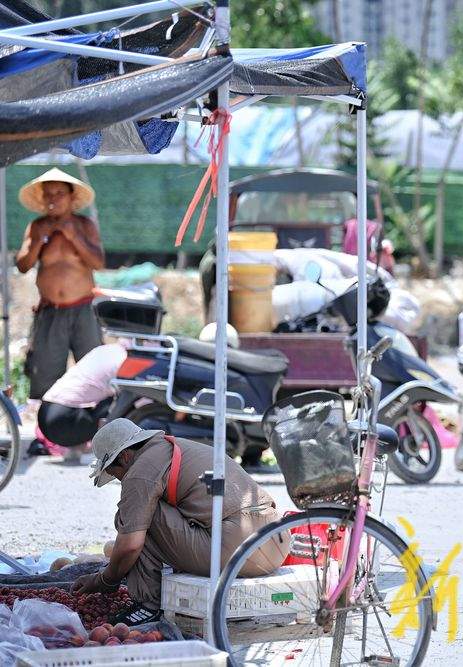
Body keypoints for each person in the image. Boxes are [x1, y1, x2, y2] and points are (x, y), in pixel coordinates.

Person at [72, 418, 290, 624]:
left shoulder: (140, 471)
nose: (119, 479)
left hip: (239, 548)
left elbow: (130, 545)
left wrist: (105, 580)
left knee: (135, 517)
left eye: (113, 471)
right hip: (276, 541)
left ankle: (148, 605)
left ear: (126, 456)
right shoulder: (174, 447)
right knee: (141, 512)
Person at [15, 168, 105, 400]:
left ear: (71, 197)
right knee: (45, 376)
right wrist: (38, 241)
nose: (53, 199)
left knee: (95, 372)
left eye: (59, 193)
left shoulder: (84, 225)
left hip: (84, 310)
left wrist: (74, 236)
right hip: (50, 311)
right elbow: (23, 265)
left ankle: (97, 419)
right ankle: (47, 421)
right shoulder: (36, 227)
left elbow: (98, 262)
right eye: (48, 194)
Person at [38, 341, 127, 462]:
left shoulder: (104, 350)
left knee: (97, 396)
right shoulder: (124, 360)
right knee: (123, 399)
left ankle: (75, 448)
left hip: (45, 416)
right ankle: (96, 450)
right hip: (63, 419)